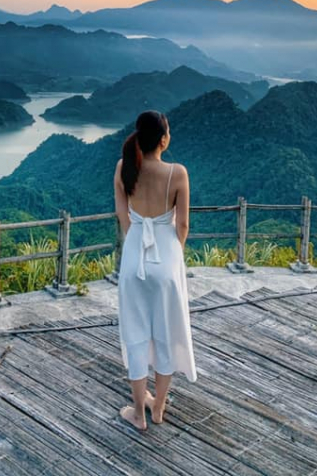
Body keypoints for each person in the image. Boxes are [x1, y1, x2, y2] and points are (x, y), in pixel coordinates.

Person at [114, 110, 197, 432]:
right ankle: (158, 409)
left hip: (134, 258)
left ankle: (138, 413)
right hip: (166, 259)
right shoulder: (178, 173)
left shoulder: (124, 167)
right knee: (165, 335)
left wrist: (136, 250)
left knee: (135, 337)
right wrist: (173, 253)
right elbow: (184, 224)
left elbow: (124, 219)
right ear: (163, 139)